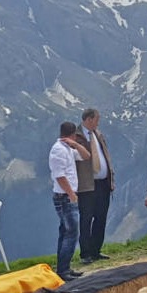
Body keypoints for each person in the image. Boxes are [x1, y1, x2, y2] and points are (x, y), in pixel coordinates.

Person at [48, 121, 90, 280]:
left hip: (68, 195)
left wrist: (76, 145)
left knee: (65, 231)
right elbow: (59, 176)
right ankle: (63, 270)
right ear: (72, 134)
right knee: (71, 233)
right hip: (65, 197)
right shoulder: (58, 150)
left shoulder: (68, 149)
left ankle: (64, 267)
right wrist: (71, 194)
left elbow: (86, 156)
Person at [75, 108, 115, 264]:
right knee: (86, 219)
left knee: (101, 217)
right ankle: (85, 253)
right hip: (86, 185)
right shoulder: (77, 136)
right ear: (89, 119)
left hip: (102, 183)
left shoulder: (98, 134)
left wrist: (111, 178)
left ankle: (96, 250)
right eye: (97, 119)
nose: (98, 122)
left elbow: (105, 155)